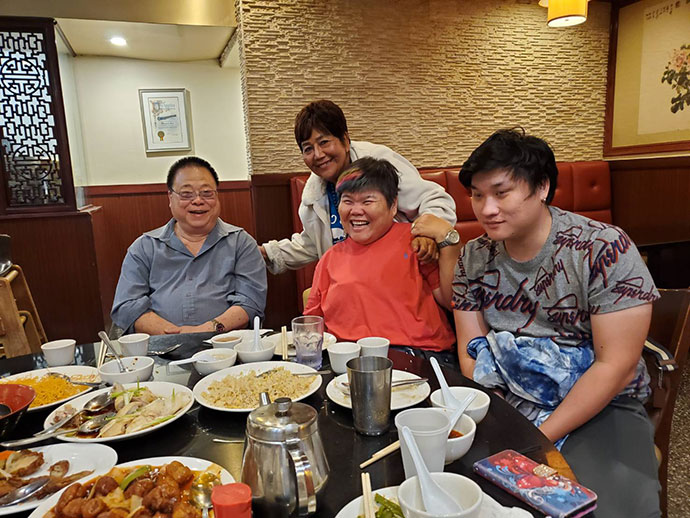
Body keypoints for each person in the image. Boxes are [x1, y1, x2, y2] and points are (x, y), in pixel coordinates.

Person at [452, 129, 660, 517]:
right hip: (508, 395)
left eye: (501, 192)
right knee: (461, 493)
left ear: (542, 187)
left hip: (600, 400)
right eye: (477, 195)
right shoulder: (473, 258)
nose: (487, 209)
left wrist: (534, 438)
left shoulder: (603, 248)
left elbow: (614, 366)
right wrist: (497, 412)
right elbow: (471, 349)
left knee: (609, 509)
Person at [260, 100, 457, 273]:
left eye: (324, 142)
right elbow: (313, 242)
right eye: (308, 148)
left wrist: (427, 236)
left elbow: (435, 200)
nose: (318, 155)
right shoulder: (313, 196)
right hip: (353, 279)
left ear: (345, 141)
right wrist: (267, 253)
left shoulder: (379, 164)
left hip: (402, 271)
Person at [304, 157, 460, 361]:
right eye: (347, 201)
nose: (356, 211)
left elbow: (452, 300)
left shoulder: (417, 242)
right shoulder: (330, 258)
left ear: (393, 205)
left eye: (367, 201)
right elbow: (311, 324)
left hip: (416, 356)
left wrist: (448, 242)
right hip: (347, 361)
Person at [111, 156, 267, 335]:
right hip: (160, 346)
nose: (198, 200)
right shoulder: (144, 248)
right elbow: (127, 306)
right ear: (170, 197)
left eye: (207, 193)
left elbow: (250, 302)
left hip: (227, 345)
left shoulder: (242, 243)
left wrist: (205, 330)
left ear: (217, 196)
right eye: (186, 194)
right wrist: (174, 334)